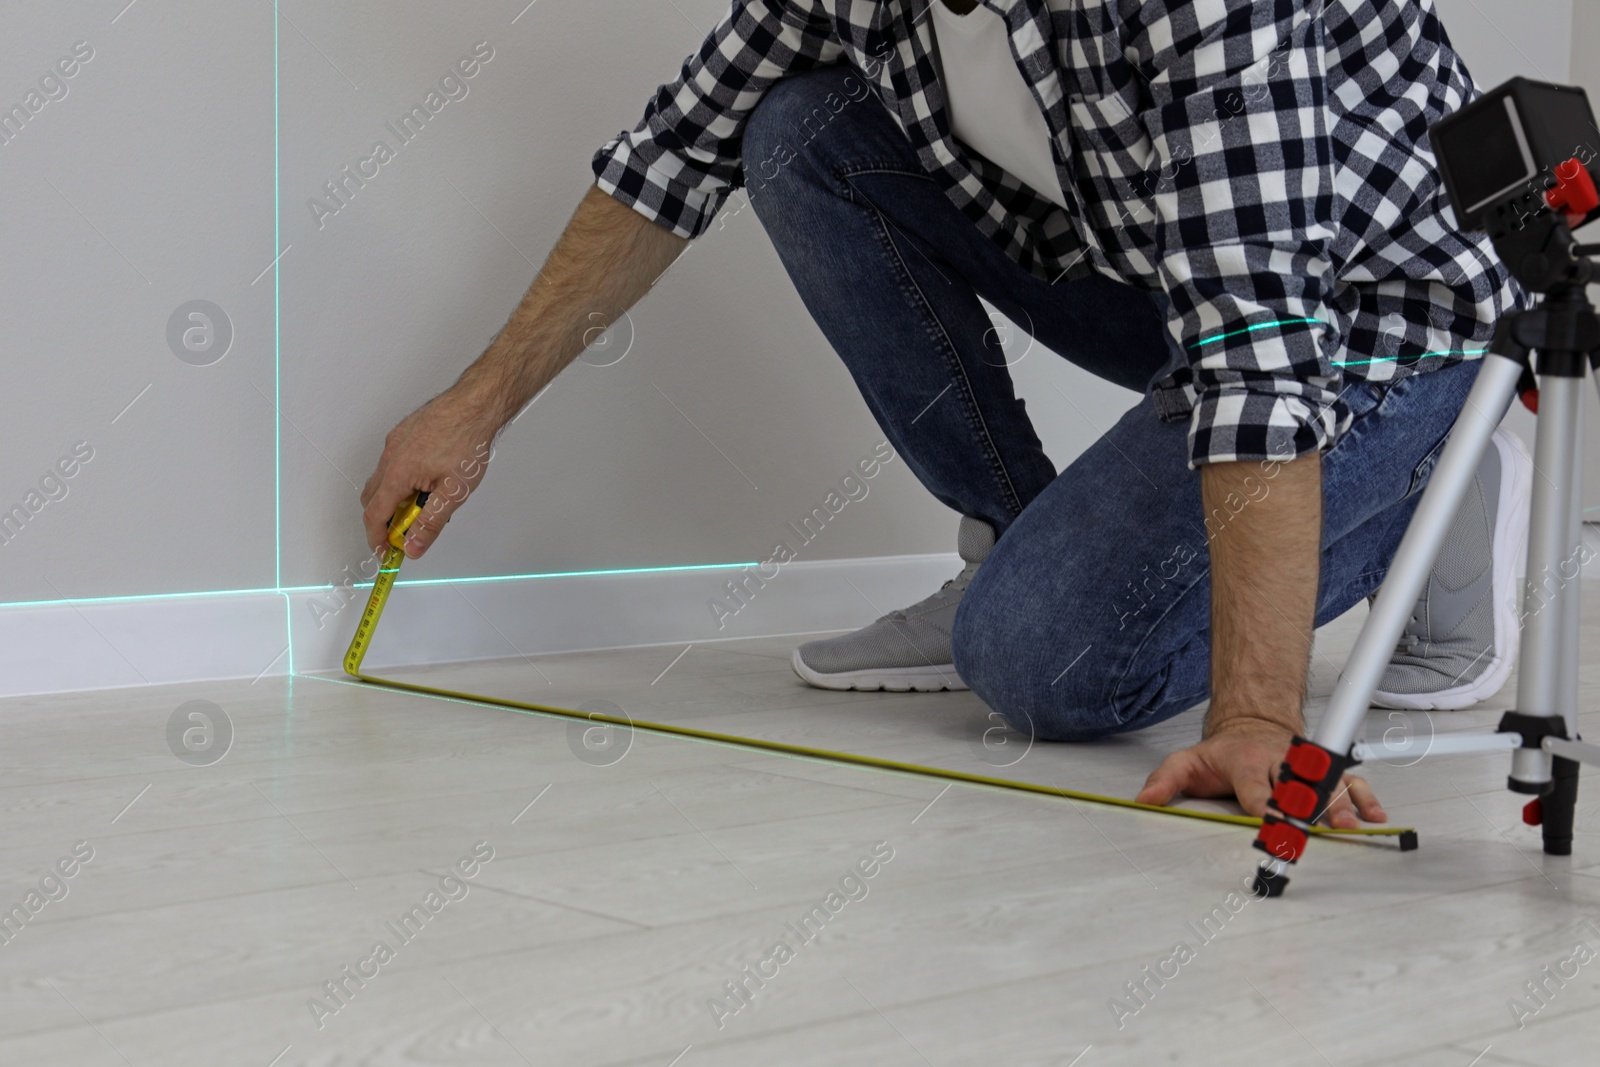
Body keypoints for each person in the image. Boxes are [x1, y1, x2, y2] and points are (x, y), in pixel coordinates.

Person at [361, 0, 1533, 830]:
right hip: (1165, 278)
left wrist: (1257, 717)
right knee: (796, 128)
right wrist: (474, 408)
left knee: (1043, 668)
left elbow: (1259, 339)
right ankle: (1011, 539)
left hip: (1374, 314)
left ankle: (1438, 447)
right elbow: (673, 157)